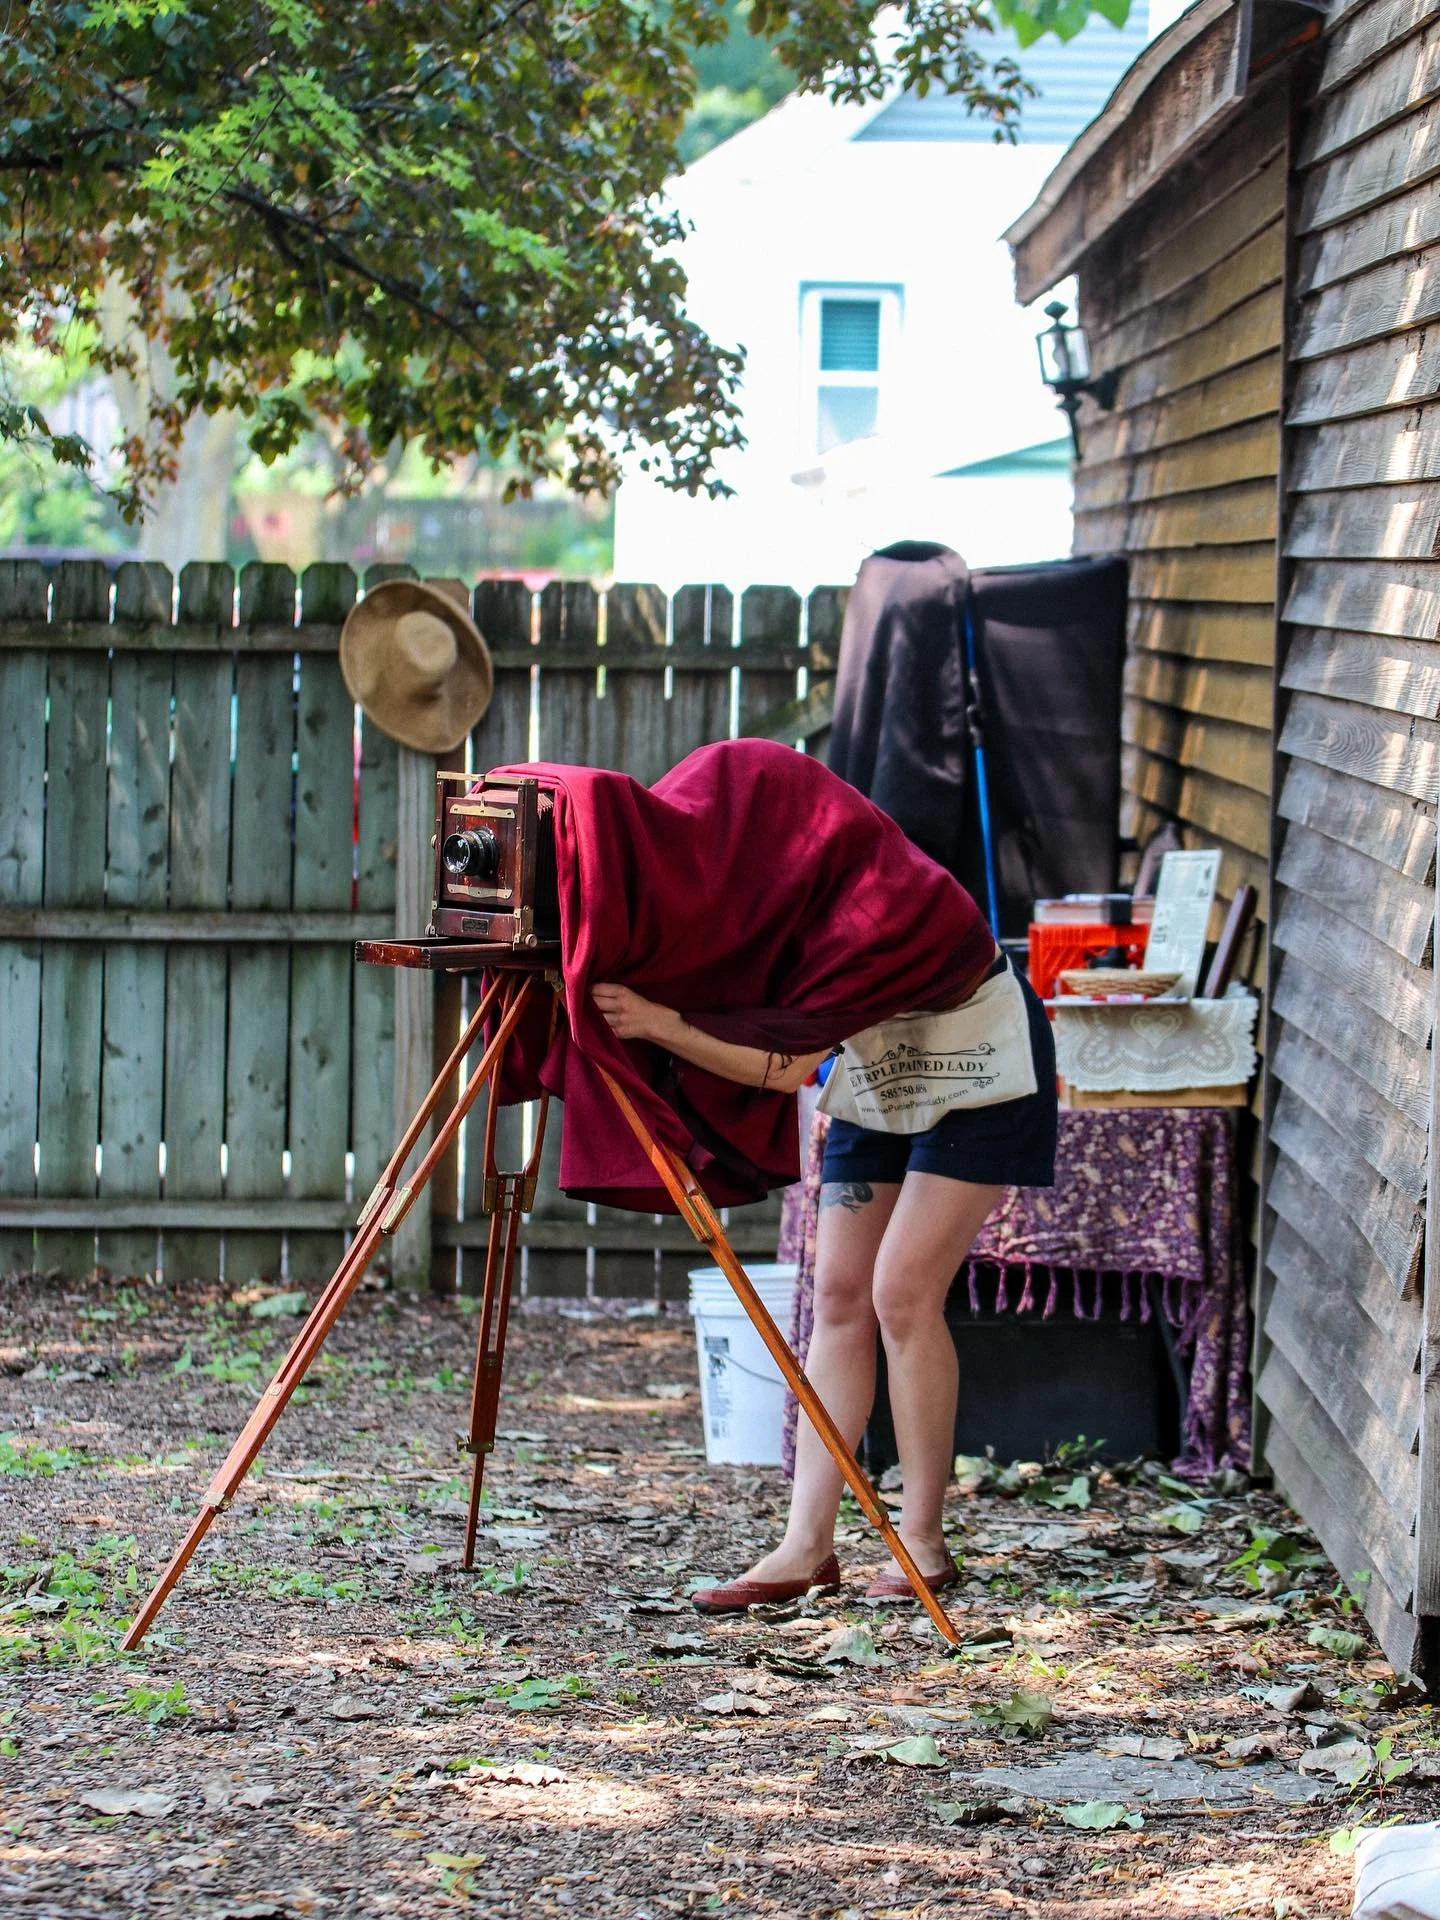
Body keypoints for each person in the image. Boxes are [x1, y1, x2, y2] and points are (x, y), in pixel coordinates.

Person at [592, 935, 1057, 1610]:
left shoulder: (859, 905)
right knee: (838, 1294)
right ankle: (806, 1544)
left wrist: (660, 1025)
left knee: (902, 1293)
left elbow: (786, 1069)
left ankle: (922, 1540)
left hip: (977, 1053)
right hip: (879, 1057)